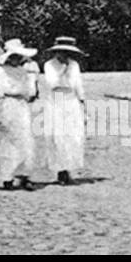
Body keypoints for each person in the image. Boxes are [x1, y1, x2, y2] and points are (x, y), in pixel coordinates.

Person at [0, 39, 39, 191]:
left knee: (26, 140)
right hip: (8, 105)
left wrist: (31, 88)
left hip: (22, 106)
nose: (17, 60)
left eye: (19, 57)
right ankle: (7, 177)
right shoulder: (1, 71)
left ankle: (25, 175)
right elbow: (0, 91)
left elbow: (29, 90)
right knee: (8, 141)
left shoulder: (23, 71)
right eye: (14, 56)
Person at [40, 36, 87, 185]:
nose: (64, 56)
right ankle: (61, 171)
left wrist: (82, 100)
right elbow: (52, 83)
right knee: (58, 136)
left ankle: (69, 168)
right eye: (62, 52)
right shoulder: (49, 65)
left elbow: (77, 83)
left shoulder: (74, 65)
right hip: (56, 100)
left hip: (71, 100)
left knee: (73, 136)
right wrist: (62, 71)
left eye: (67, 53)